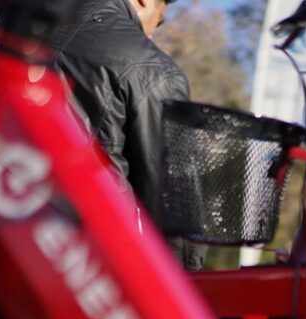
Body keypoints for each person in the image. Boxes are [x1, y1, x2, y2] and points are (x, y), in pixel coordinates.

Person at [48, 0, 206, 270]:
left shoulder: (19, 24)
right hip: (90, 274)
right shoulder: (153, 73)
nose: (150, 36)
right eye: (158, 22)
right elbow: (176, 223)